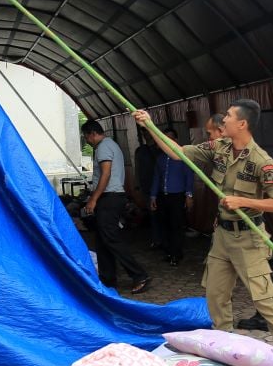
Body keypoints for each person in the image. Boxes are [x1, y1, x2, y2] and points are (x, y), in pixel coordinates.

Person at [134, 100, 273, 366]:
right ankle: (226, 348)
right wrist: (149, 125)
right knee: (216, 296)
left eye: (228, 116)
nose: (223, 120)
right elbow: (178, 153)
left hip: (249, 239)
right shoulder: (220, 147)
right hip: (222, 237)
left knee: (263, 299)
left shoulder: (261, 161)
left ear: (242, 124)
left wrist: (244, 202)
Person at [81, 120, 151, 294]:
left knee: (111, 239)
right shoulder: (110, 145)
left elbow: (106, 173)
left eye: (86, 137)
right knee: (102, 240)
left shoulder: (104, 147)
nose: (87, 141)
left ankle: (139, 275)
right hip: (111, 197)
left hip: (109, 198)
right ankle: (107, 279)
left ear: (92, 133)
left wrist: (93, 199)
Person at [149, 127, 193, 266]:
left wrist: (189, 195)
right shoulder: (160, 158)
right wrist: (153, 196)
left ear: (175, 140)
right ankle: (169, 252)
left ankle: (176, 254)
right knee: (164, 224)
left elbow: (189, 177)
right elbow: (156, 177)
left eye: (170, 138)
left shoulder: (183, 157)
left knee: (177, 226)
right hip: (163, 196)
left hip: (178, 196)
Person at [132, 132, 162, 248]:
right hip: (146, 186)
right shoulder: (140, 150)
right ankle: (157, 239)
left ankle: (161, 239)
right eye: (145, 133)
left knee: (160, 214)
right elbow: (137, 168)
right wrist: (137, 184)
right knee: (153, 214)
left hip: (160, 187)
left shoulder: (160, 149)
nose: (147, 135)